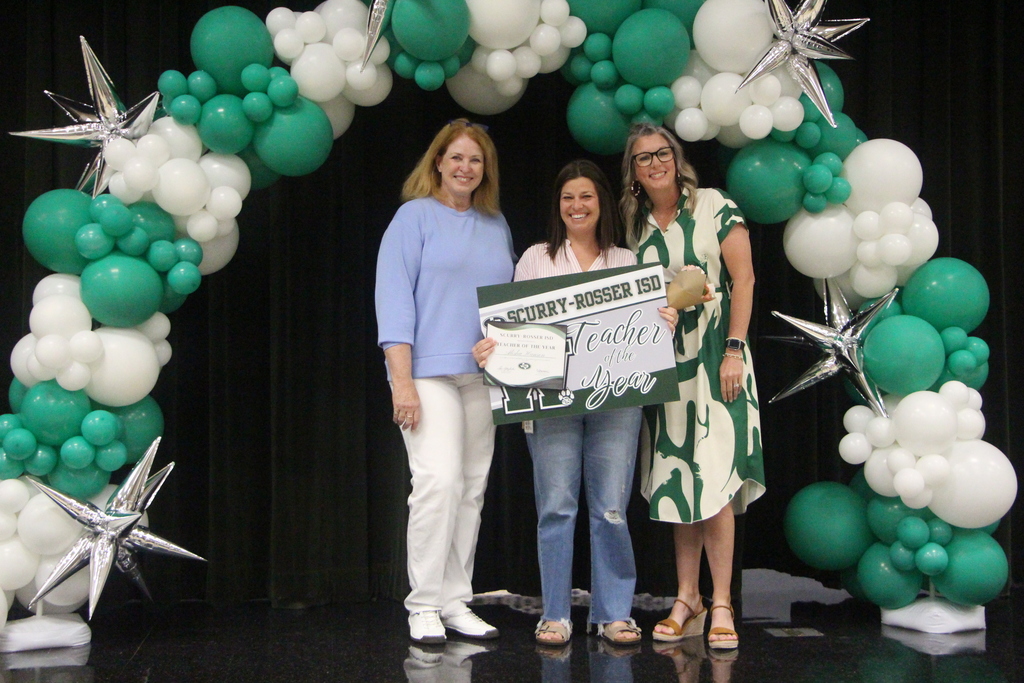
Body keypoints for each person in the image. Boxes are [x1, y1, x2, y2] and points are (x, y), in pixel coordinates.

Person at [473, 160, 678, 647]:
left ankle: (614, 613)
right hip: (551, 402)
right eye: (568, 197)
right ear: (557, 206)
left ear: (602, 202)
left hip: (616, 400)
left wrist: (662, 323)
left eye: (586, 196)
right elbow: (513, 332)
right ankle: (556, 614)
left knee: (610, 508)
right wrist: (493, 348)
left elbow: (645, 338)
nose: (577, 206)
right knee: (557, 508)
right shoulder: (535, 260)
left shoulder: (628, 263)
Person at [619, 124, 765, 650]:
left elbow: (743, 281)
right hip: (665, 370)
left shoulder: (714, 205)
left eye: (662, 154)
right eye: (643, 158)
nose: (654, 164)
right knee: (680, 481)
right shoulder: (635, 226)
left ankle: (721, 599)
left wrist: (734, 350)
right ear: (633, 172)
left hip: (715, 361)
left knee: (717, 480)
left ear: (677, 159)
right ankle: (687, 600)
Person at [375, 119, 516, 645]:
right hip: (426, 374)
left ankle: (457, 600)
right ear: (438, 161)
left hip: (481, 375)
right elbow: (393, 303)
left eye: (475, 160)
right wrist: (402, 384)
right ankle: (424, 604)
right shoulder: (413, 218)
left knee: (472, 488)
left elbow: (508, 305)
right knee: (438, 482)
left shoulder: (495, 223)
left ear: (486, 170)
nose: (465, 168)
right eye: (456, 158)